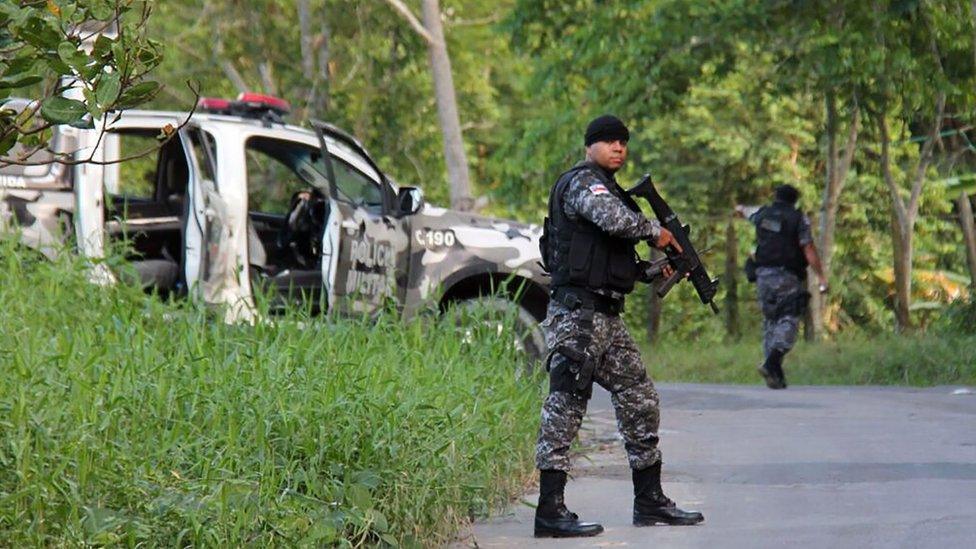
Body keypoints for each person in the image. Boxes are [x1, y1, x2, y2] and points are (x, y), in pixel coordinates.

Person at [534, 114, 704, 538]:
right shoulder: (582, 184)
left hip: (606, 317)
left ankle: (649, 500)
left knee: (640, 396)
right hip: (577, 316)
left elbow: (618, 261)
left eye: (623, 142)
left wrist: (656, 271)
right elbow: (612, 220)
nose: (618, 148)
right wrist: (657, 232)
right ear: (590, 145)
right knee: (566, 405)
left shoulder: (615, 193)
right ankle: (549, 510)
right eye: (609, 141)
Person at [737, 185, 828, 390]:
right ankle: (773, 361)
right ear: (794, 200)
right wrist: (821, 277)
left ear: (775, 197)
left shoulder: (763, 214)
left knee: (771, 319)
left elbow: (744, 210)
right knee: (789, 317)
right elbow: (808, 248)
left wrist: (739, 209)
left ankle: (775, 374)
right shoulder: (797, 218)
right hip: (786, 275)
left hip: (762, 275)